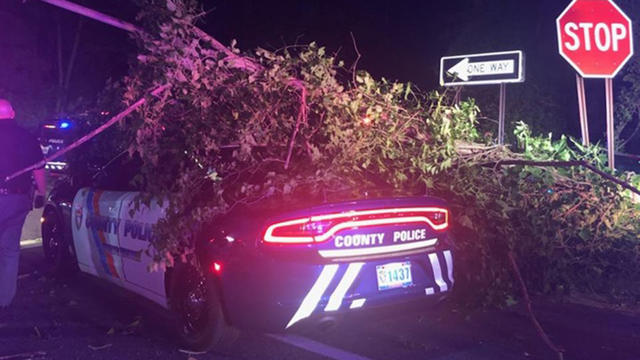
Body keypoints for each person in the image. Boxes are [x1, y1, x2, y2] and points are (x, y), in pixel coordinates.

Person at [0, 99, 46, 308]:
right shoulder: (26, 137)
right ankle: (4, 301)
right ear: (13, 113)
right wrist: (41, 193)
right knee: (9, 251)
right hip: (17, 199)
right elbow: (38, 168)